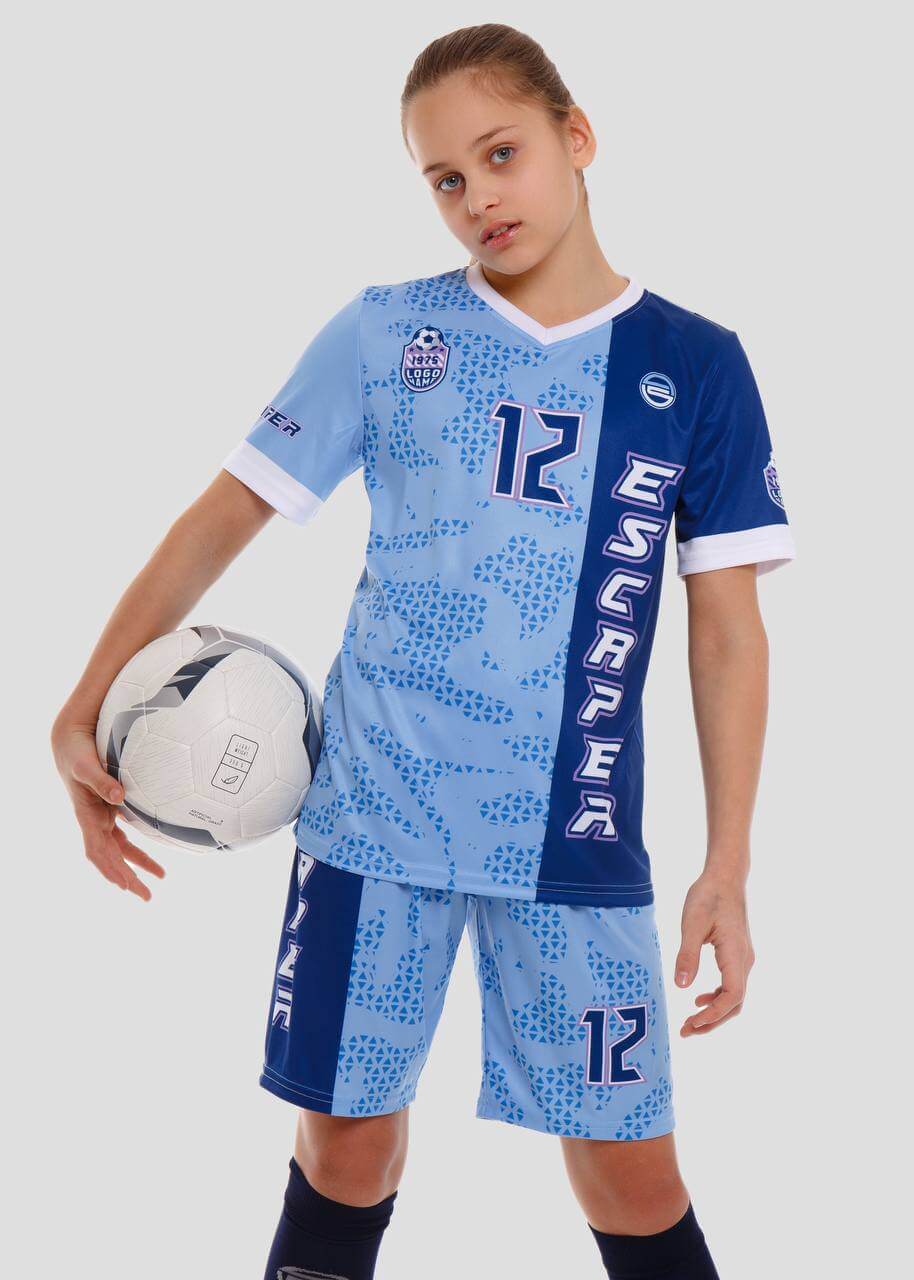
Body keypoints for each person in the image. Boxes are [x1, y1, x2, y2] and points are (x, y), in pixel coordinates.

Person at [51, 22, 795, 1280]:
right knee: (345, 1148)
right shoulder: (388, 333)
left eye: (500, 155)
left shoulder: (693, 364)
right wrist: (81, 703)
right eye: (444, 178)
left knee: (630, 1172)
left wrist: (726, 860)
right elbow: (224, 512)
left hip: (574, 833)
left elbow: (725, 629)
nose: (477, 197)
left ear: (575, 137)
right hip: (372, 815)